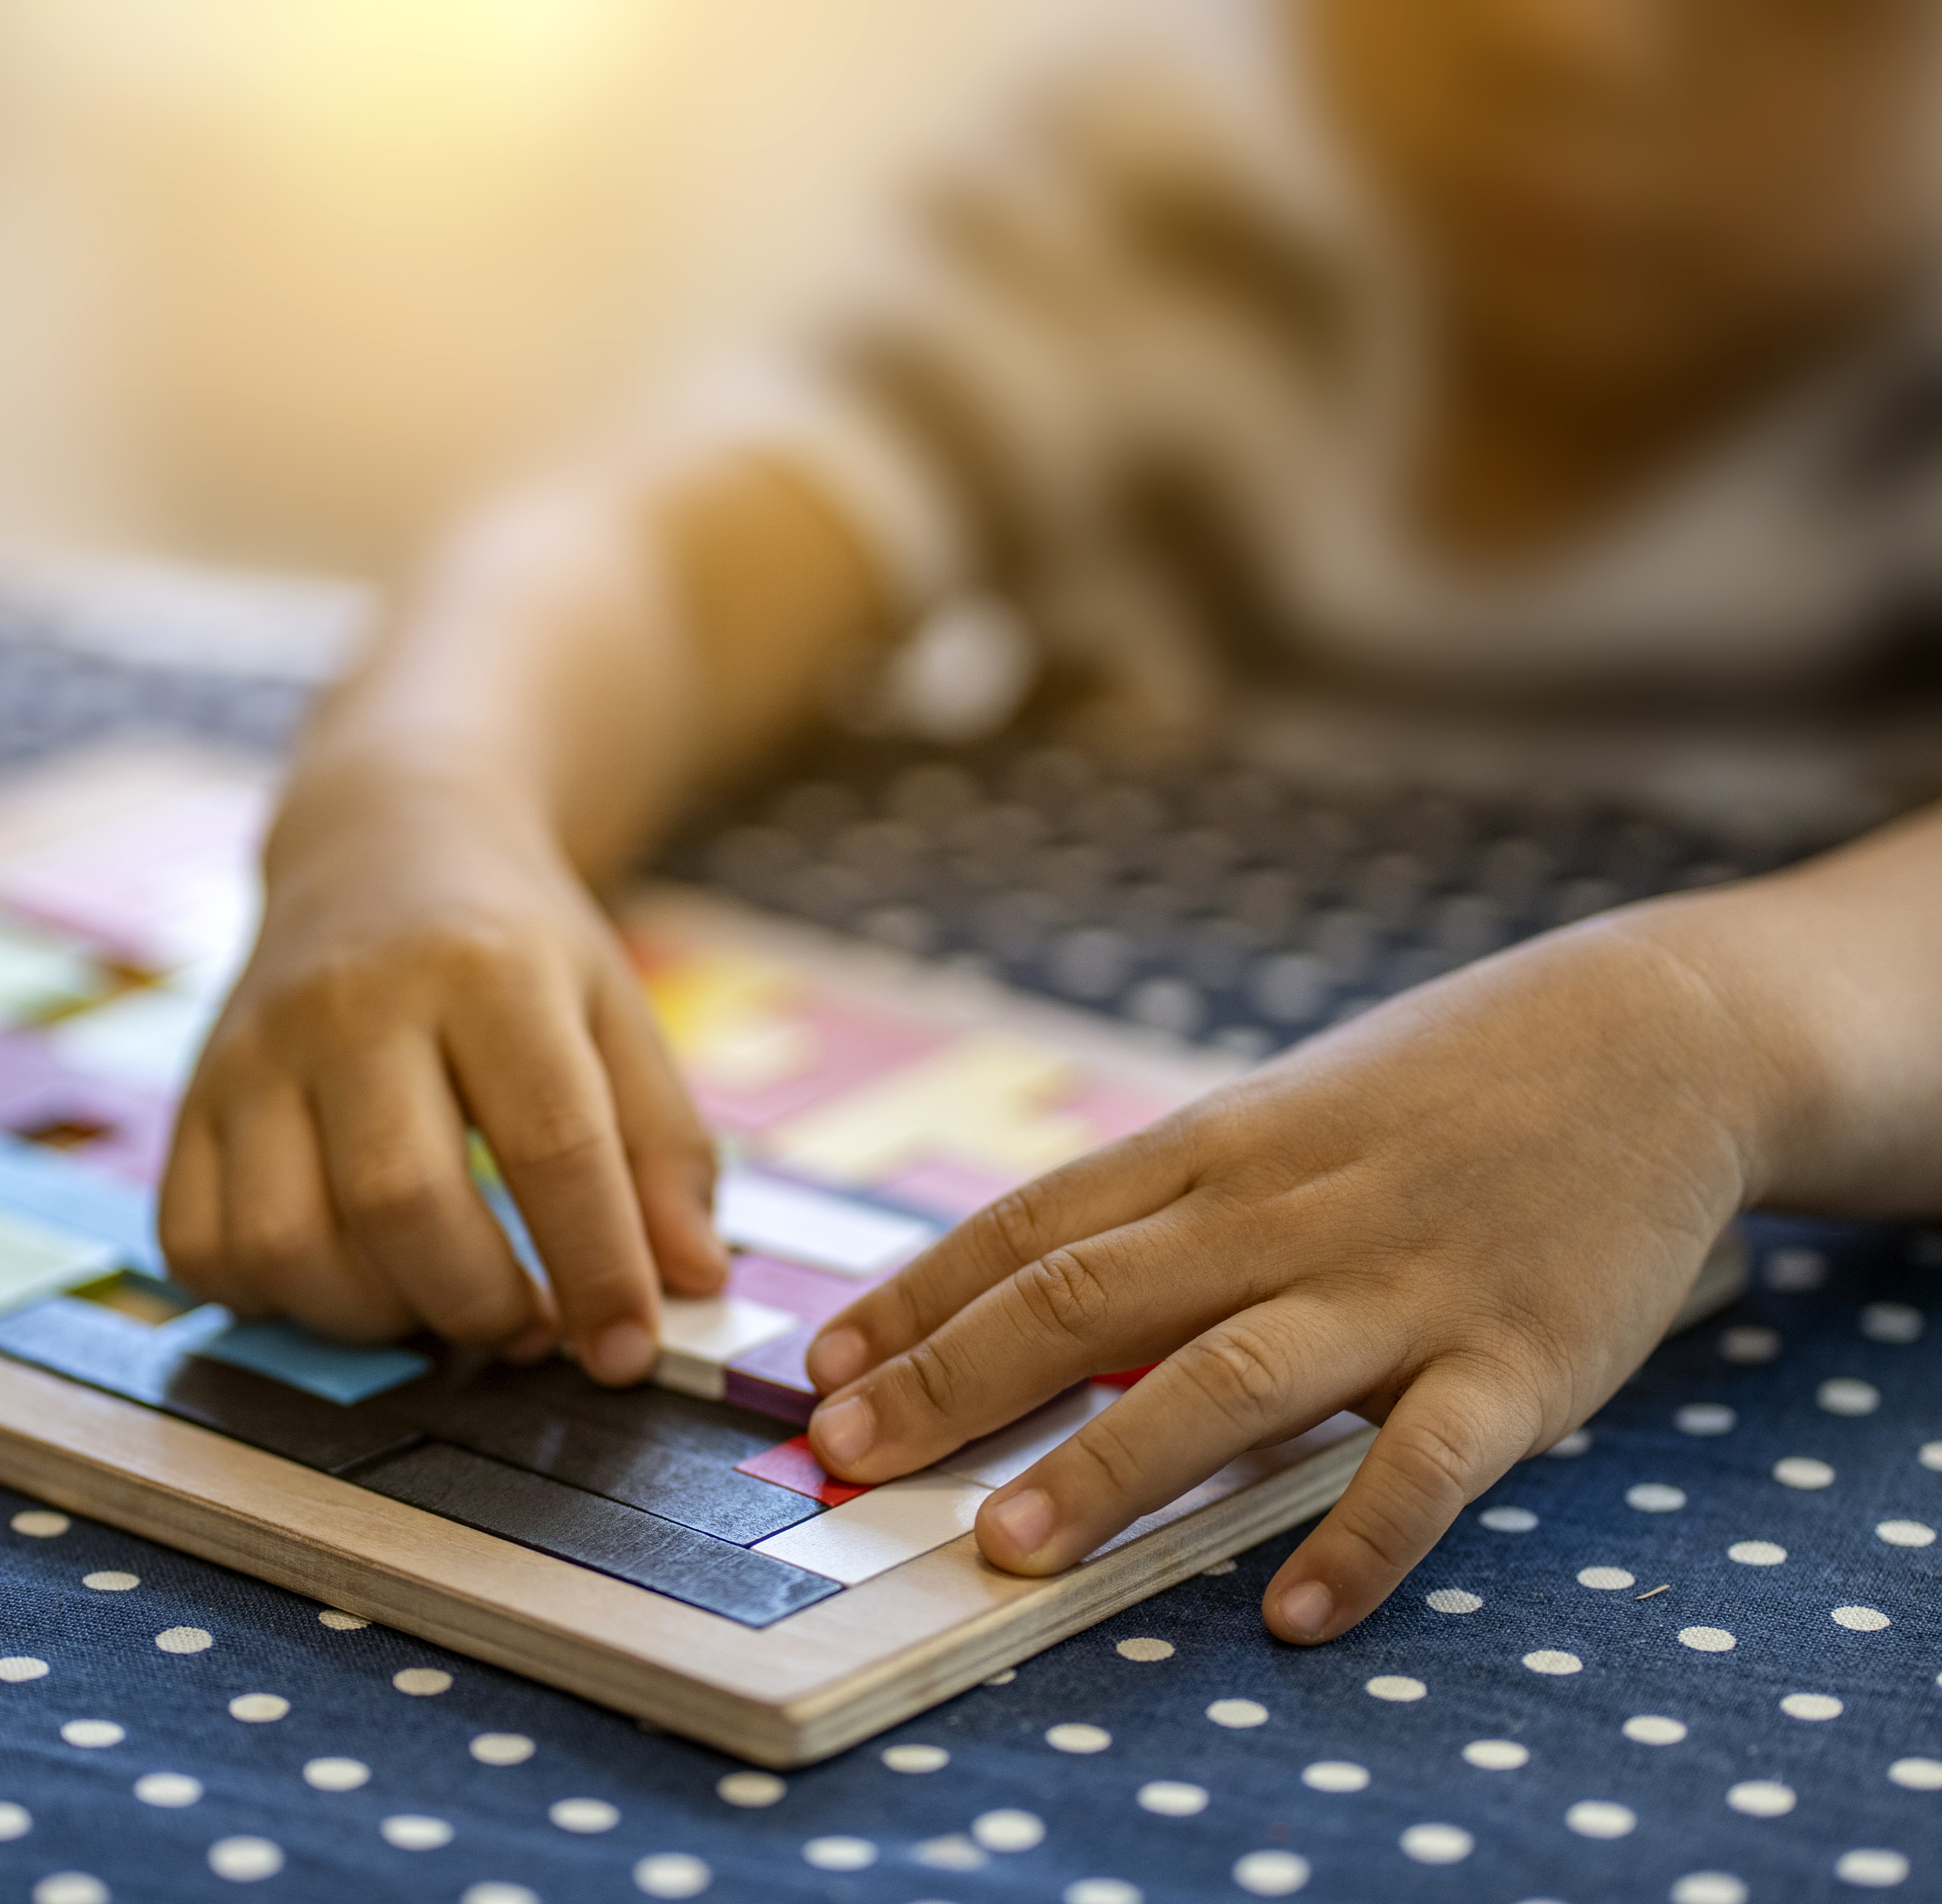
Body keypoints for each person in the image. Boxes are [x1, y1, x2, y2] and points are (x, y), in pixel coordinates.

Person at [158, 0, 1942, 1647]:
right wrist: (413, 802)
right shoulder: (1167, 186)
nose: (1576, 38)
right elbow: (658, 545)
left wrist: (1707, 1038)